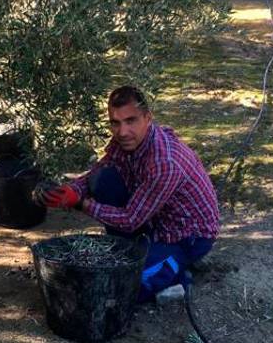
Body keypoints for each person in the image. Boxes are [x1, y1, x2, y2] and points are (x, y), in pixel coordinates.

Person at [35, 86, 220, 303]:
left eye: (130, 121)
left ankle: (176, 272)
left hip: (185, 237)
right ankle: (136, 251)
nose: (122, 131)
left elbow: (131, 220)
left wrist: (80, 203)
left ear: (147, 118)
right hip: (152, 219)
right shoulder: (126, 141)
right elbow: (98, 171)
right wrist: (70, 190)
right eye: (115, 122)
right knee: (102, 179)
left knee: (118, 289)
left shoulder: (164, 162)